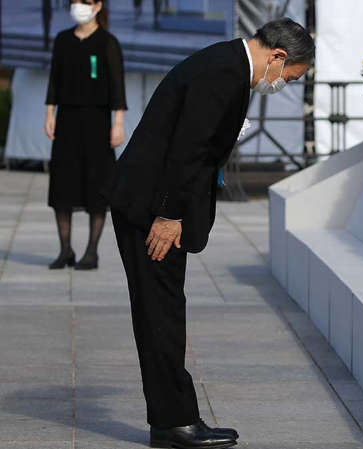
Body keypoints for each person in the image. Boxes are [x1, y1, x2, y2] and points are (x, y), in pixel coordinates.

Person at [104, 18, 313, 448]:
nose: (281, 85)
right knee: (160, 315)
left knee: (164, 312)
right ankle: (173, 422)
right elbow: (189, 149)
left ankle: (175, 417)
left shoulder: (224, 63)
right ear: (277, 55)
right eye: (288, 77)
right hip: (153, 209)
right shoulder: (225, 72)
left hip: (152, 203)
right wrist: (170, 215)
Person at [45, 0, 127, 270]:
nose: (79, 6)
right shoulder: (62, 40)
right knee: (62, 184)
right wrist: (50, 114)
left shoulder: (107, 42)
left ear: (98, 6)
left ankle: (91, 252)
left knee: (97, 185)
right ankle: (65, 249)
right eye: (75, 1)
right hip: (67, 120)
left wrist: (118, 123)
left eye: (86, 1)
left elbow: (117, 86)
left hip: (97, 123)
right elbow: (54, 81)